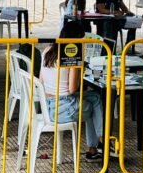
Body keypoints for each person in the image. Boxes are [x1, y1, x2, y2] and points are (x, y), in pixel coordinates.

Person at [40, 21, 106, 161]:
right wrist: (80, 68)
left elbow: (41, 79)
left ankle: (97, 146)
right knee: (94, 106)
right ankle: (103, 142)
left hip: (48, 104)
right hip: (64, 107)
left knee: (94, 97)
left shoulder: (47, 50)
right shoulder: (72, 56)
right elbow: (72, 88)